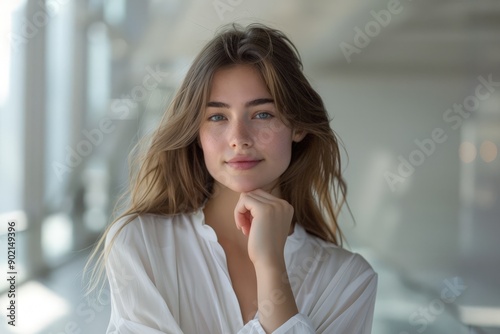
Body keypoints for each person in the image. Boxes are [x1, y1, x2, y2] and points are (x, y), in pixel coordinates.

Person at [86, 23, 377, 333]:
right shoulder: (141, 243)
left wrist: (270, 265)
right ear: (196, 133)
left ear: (298, 126)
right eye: (217, 117)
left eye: (263, 114)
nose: (239, 138)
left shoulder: (348, 280)